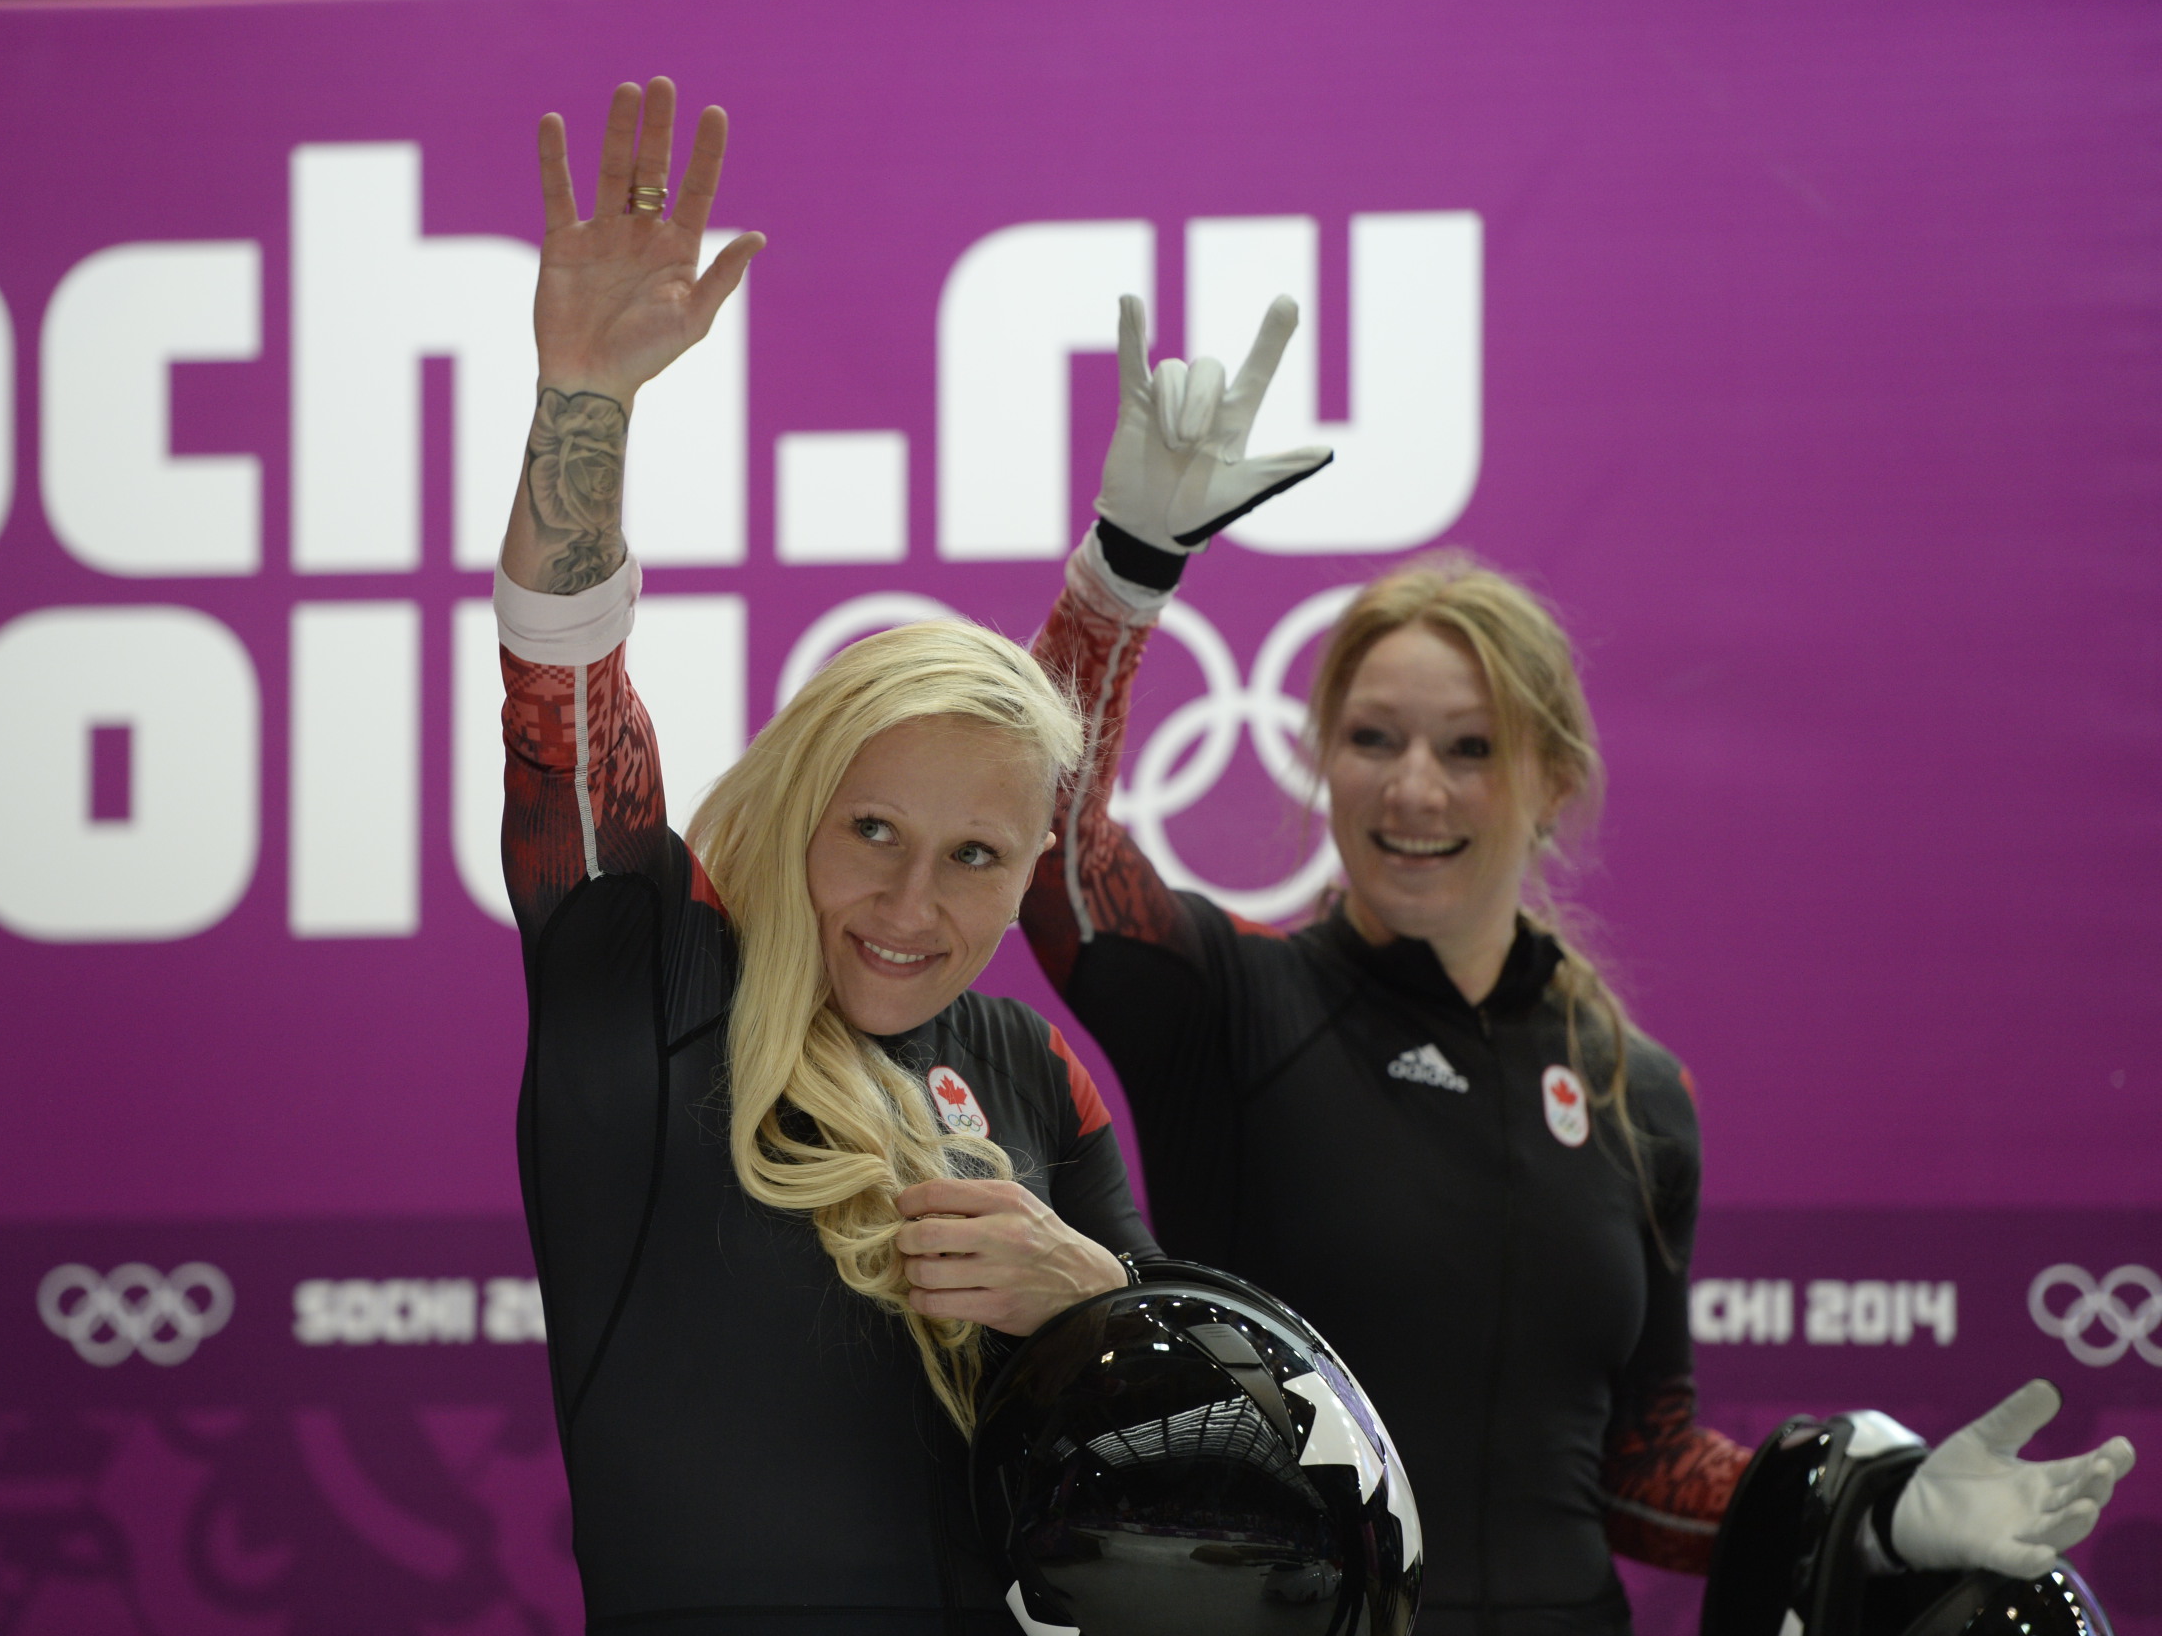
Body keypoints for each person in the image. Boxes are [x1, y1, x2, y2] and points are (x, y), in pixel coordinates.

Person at [1019, 294, 2136, 1634]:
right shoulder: (1235, 999)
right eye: (1373, 740)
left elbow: (1641, 1479)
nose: (1413, 789)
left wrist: (1878, 1508)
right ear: (1320, 760)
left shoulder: (1636, 1093)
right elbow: (1045, 843)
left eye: (1470, 749)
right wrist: (1125, 571)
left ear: (1557, 782)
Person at [495, 81, 1156, 1634]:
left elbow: (1196, 1429)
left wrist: (1100, 1303)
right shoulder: (649, 985)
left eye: (977, 857)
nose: (911, 905)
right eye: (870, 830)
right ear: (795, 802)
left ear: (1026, 877)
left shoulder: (1024, 1068)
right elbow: (563, 690)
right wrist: (585, 395)